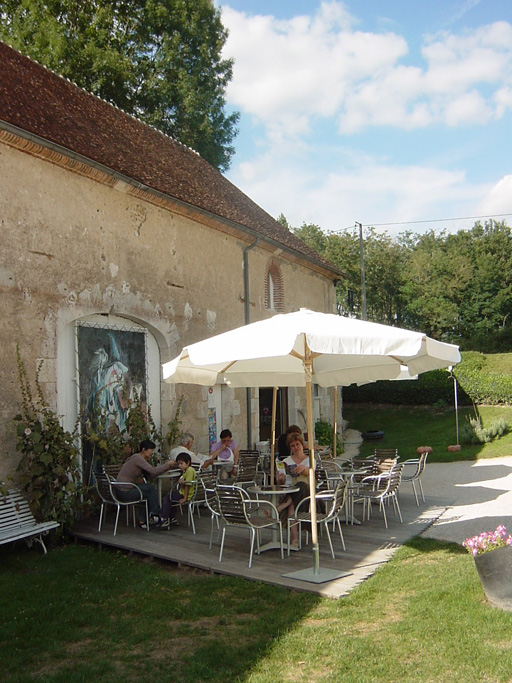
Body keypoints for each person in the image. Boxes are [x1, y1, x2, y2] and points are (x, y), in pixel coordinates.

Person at [115, 439, 173, 528]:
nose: (152, 452)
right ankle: (155, 515)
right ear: (144, 449)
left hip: (121, 490)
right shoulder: (138, 458)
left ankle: (144, 521)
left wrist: (166, 468)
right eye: (151, 450)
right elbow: (153, 471)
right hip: (124, 492)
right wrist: (167, 464)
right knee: (149, 489)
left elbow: (151, 475)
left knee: (148, 490)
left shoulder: (139, 458)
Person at [161, 452, 197, 528]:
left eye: (181, 463)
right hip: (183, 492)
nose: (179, 466)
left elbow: (188, 485)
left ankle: (164, 518)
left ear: (188, 463)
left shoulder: (189, 471)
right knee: (171, 498)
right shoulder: (187, 470)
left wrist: (184, 498)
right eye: (178, 464)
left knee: (167, 498)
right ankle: (172, 518)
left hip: (184, 494)